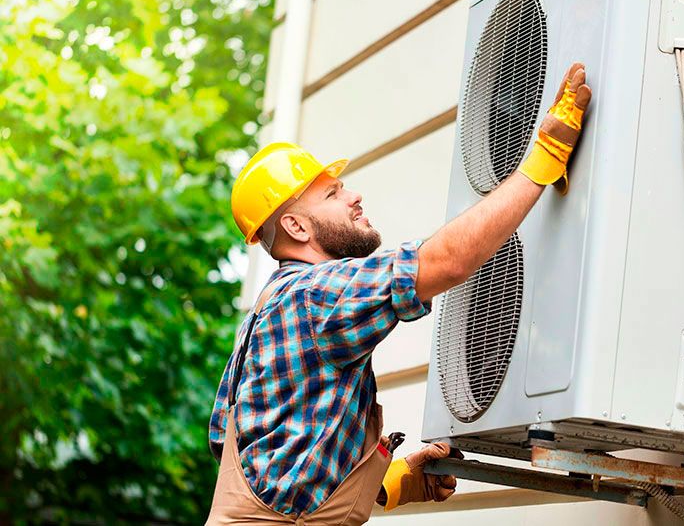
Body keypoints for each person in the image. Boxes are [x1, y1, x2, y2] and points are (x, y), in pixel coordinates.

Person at [206, 63, 592, 525]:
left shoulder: (267, 312)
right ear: (295, 226)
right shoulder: (312, 295)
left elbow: (260, 455)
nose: (353, 196)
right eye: (332, 194)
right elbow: (443, 262)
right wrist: (541, 162)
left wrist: (382, 487)